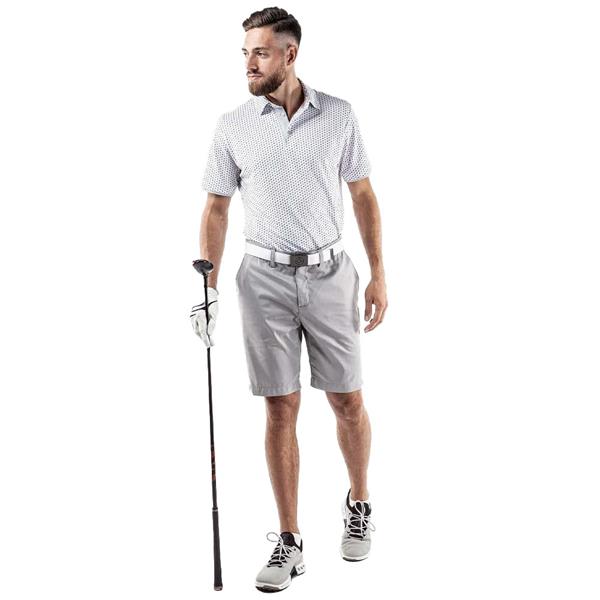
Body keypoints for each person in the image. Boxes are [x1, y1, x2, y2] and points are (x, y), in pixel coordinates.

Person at [190, 7, 387, 593]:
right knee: (280, 408)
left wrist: (378, 274)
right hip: (263, 281)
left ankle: (359, 501)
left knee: (347, 400)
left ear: (289, 54)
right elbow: (216, 208)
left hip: (331, 274)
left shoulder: (339, 115)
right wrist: (208, 289)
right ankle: (290, 541)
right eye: (245, 53)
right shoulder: (233, 125)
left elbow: (363, 195)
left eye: (260, 52)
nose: (249, 64)